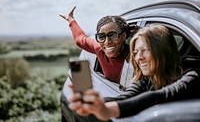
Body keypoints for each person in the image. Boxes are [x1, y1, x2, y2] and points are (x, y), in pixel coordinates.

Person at [68, 24, 200, 121]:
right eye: (135, 53)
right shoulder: (146, 81)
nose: (138, 58)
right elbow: (125, 97)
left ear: (163, 51)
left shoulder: (193, 77)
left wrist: (108, 110)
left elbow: (159, 96)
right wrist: (95, 104)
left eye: (145, 50)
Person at [60, 6, 131, 84]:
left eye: (112, 35)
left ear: (124, 36)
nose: (107, 42)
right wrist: (70, 19)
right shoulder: (99, 48)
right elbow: (80, 39)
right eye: (101, 36)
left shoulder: (136, 54)